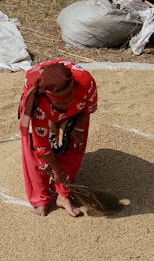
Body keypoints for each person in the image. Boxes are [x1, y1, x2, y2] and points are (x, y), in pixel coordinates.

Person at [18, 60, 98, 217]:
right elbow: (41, 148)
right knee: (36, 157)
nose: (68, 103)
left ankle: (63, 195)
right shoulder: (38, 104)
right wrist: (58, 171)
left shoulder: (85, 82)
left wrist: (79, 128)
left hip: (77, 110)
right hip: (44, 110)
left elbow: (88, 106)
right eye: (62, 101)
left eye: (71, 98)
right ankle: (40, 198)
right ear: (49, 97)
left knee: (76, 145)